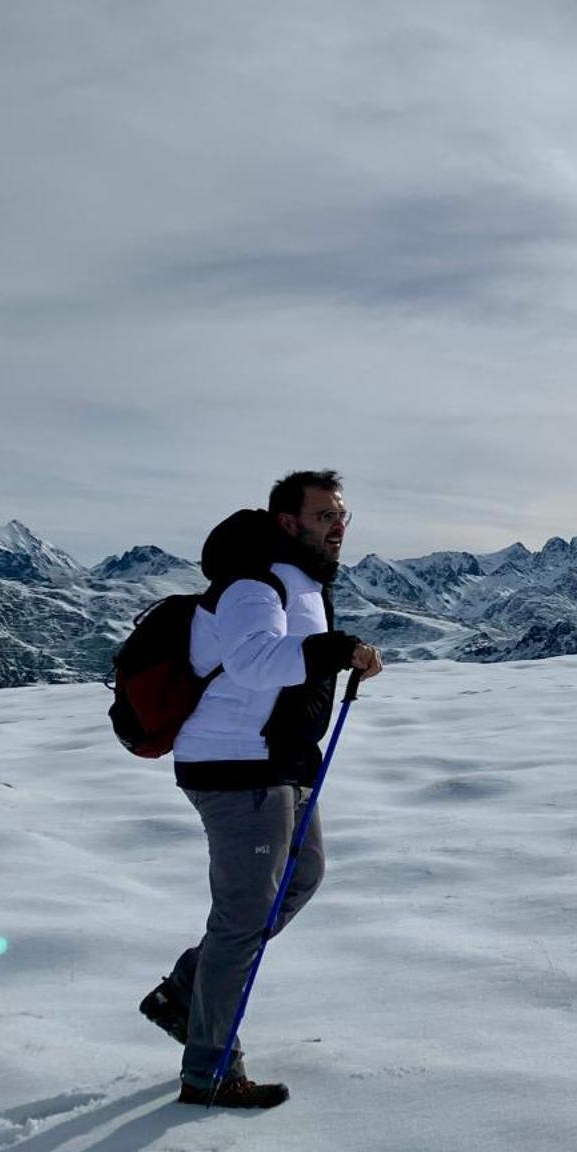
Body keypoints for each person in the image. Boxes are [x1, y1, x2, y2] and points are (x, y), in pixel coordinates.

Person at [138, 469, 384, 1109]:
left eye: (342, 515)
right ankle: (209, 1073)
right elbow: (252, 662)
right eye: (325, 514)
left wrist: (335, 655)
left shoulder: (299, 583)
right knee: (244, 920)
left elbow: (287, 665)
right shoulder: (255, 583)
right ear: (288, 522)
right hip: (235, 769)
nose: (337, 526)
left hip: (279, 764)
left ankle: (189, 990)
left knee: (302, 878)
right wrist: (336, 649)